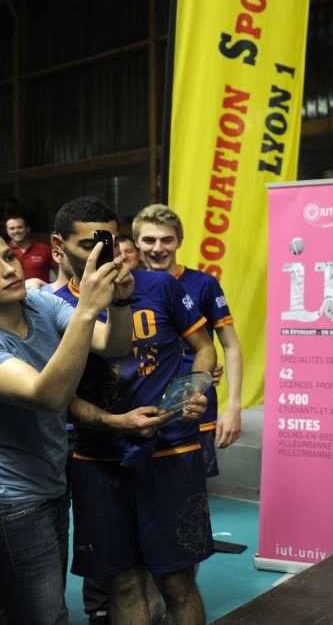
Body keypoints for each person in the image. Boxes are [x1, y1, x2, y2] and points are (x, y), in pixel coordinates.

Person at [51, 197, 217, 625]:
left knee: (177, 581)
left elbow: (204, 348)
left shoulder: (160, 286)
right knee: (122, 583)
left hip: (171, 452)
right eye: (89, 244)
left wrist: (192, 391)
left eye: (108, 240)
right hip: (97, 460)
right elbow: (58, 393)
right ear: (58, 247)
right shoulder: (52, 307)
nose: (102, 253)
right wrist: (113, 422)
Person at [0, 228, 158, 623]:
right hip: (12, 499)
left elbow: (112, 344)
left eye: (7, 257)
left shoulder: (39, 304)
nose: (8, 269)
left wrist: (119, 303)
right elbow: (48, 395)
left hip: (51, 482)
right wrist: (87, 307)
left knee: (40, 607)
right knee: (44, 615)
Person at [133, 204, 243, 473]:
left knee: (190, 490)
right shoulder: (127, 285)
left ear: (179, 240)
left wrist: (233, 407)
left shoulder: (203, 284)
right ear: (136, 242)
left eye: (166, 240)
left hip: (195, 407)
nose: (158, 248)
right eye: (149, 240)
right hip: (141, 407)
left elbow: (230, 345)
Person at [6, 213, 58, 281]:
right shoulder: (4, 251)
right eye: (12, 228)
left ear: (27, 229)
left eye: (20, 227)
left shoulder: (44, 249)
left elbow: (60, 271)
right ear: (7, 232)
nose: (16, 231)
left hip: (42, 288)